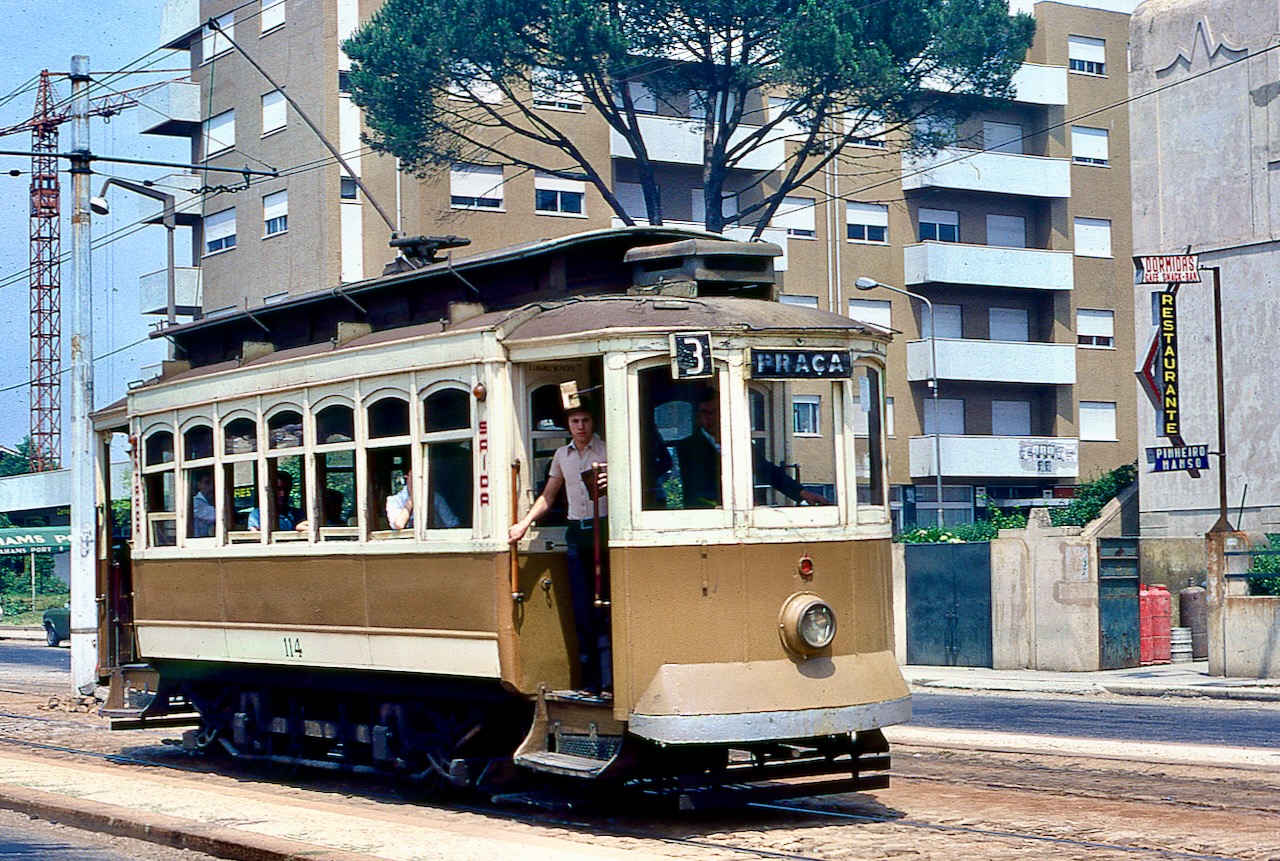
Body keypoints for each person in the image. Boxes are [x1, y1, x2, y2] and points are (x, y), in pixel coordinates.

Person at [509, 398, 610, 696]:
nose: (581, 427)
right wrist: (524, 523)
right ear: (568, 425)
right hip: (576, 534)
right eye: (575, 422)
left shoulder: (607, 450)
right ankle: (590, 684)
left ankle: (608, 684)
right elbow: (548, 496)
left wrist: (611, 482)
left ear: (593, 423)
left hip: (603, 531)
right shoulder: (561, 455)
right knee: (581, 607)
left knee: (603, 605)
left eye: (586, 421)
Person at [675, 386, 831, 509]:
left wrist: (802, 492)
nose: (709, 417)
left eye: (714, 411)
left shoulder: (738, 442)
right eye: (704, 412)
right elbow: (697, 491)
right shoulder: (687, 448)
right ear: (697, 417)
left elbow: (766, 470)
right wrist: (734, 504)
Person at [191, 472, 216, 537]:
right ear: (199, 485)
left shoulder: (208, 502)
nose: (211, 487)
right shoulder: (196, 502)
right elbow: (219, 516)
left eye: (213, 484)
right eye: (206, 483)